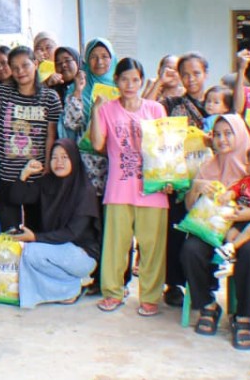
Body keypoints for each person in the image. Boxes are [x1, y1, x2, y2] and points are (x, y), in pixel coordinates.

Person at [88, 57, 169, 317]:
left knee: (152, 246)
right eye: (124, 79)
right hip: (119, 188)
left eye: (135, 80)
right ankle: (112, 293)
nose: (130, 84)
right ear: (116, 81)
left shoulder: (156, 109)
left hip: (152, 189)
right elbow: (98, 144)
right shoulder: (107, 109)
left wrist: (169, 179)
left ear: (142, 81)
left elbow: (165, 147)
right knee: (115, 246)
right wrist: (95, 110)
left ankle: (150, 296)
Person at [181, 115, 250, 347]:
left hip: (245, 227)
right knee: (190, 249)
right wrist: (197, 188)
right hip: (212, 227)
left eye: (228, 133)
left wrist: (248, 213)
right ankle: (208, 304)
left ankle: (244, 315)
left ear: (240, 134)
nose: (222, 139)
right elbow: (189, 207)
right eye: (217, 134)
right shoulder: (208, 165)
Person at [13, 138, 100, 309]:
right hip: (57, 250)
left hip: (82, 256)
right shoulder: (48, 183)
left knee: (32, 252)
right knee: (27, 254)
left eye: (64, 157)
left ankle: (70, 289)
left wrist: (35, 237)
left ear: (74, 159)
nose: (59, 162)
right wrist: (24, 174)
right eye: (54, 157)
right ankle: (70, 287)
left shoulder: (84, 190)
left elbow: (72, 233)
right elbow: (18, 198)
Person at [0, 46, 60, 231]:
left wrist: (47, 167)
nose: (20, 71)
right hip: (8, 176)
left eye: (25, 65)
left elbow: (51, 135)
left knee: (36, 231)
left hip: (37, 176)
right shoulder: (2, 93)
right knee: (10, 233)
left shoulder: (50, 97)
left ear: (36, 64)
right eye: (14, 67)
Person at [158, 52, 211, 306]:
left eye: (196, 73)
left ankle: (206, 283)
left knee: (205, 230)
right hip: (179, 178)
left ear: (206, 74)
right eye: (186, 74)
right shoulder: (172, 104)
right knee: (176, 231)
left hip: (210, 178)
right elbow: (151, 124)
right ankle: (175, 284)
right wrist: (159, 82)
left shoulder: (217, 102)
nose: (191, 79)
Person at [62, 38, 116, 196]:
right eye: (93, 57)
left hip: (114, 161)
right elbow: (72, 124)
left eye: (105, 56)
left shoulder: (122, 84)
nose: (99, 61)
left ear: (112, 59)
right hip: (87, 163)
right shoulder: (79, 86)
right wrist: (78, 91)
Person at [214, 147, 250, 278]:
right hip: (243, 218)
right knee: (230, 233)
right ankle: (230, 261)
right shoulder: (246, 182)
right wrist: (229, 194)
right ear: (248, 167)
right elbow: (236, 190)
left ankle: (230, 249)